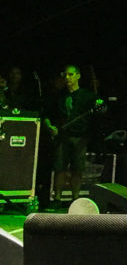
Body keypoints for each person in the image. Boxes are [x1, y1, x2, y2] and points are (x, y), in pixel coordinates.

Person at [42, 64, 101, 202]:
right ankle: (57, 198)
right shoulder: (58, 96)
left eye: (71, 74)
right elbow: (46, 115)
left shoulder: (88, 96)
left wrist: (100, 103)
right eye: (65, 75)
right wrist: (49, 126)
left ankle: (75, 199)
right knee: (59, 168)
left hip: (80, 138)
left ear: (78, 76)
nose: (67, 78)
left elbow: (100, 107)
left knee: (77, 169)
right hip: (62, 137)